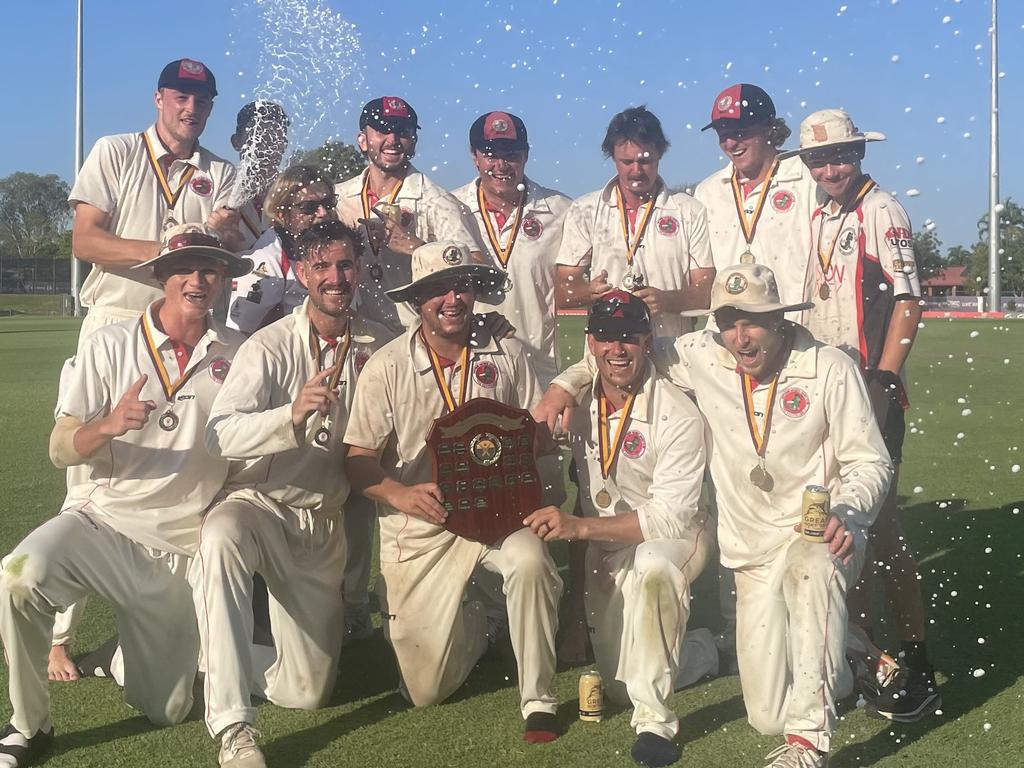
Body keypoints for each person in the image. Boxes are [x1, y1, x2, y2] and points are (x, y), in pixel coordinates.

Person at [536, 264, 894, 768]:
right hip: (749, 549)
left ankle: (810, 744)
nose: (740, 338)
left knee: (811, 569)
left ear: (779, 320)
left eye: (752, 322)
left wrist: (846, 511)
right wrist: (562, 386)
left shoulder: (829, 367)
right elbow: (618, 354)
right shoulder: (704, 354)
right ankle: (848, 659)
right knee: (767, 715)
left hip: (819, 533)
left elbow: (870, 460)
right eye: (728, 321)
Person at [0, 225, 249, 768]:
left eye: (210, 268)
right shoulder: (109, 345)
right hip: (105, 525)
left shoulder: (240, 353)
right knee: (19, 574)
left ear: (224, 277)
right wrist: (106, 427)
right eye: (184, 267)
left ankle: (118, 657)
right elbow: (61, 448)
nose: (197, 279)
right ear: (161, 276)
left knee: (168, 709)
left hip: (181, 551)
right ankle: (28, 723)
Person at [48, 58, 242, 682]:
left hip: (190, 326)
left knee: (183, 476)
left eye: (202, 100)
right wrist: (167, 251)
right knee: (87, 481)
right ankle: (57, 637)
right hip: (116, 324)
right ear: (158, 97)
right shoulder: (116, 151)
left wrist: (220, 235)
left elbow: (231, 251)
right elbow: (85, 239)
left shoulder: (222, 173)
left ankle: (178, 627)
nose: (191, 108)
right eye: (181, 96)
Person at [343, 241, 563, 743]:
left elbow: (538, 437)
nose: (452, 299)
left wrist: (540, 490)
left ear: (475, 293)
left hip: (499, 513)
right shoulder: (388, 364)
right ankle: (483, 623)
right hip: (423, 524)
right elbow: (357, 460)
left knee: (530, 562)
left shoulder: (506, 350)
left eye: (461, 286)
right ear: (417, 300)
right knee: (425, 690)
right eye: (438, 289)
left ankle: (539, 700)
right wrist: (400, 494)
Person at [195, 221, 387, 768]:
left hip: (320, 520)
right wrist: (291, 414)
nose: (335, 278)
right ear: (300, 273)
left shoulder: (379, 341)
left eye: (345, 265)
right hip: (258, 502)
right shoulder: (268, 346)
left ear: (357, 271)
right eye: (321, 267)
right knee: (221, 536)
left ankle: (208, 651)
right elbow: (219, 434)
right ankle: (233, 727)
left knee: (307, 693)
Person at [786, 108, 938, 722]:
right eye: (820, 159)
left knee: (883, 533)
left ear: (860, 154)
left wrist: (883, 380)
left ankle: (914, 657)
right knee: (830, 526)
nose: (831, 167)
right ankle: (858, 654)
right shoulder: (821, 211)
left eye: (841, 155)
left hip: (868, 393)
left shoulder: (882, 209)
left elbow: (909, 300)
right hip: (827, 392)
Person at [524, 291, 714, 767]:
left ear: (648, 340)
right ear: (590, 343)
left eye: (629, 337)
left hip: (677, 537)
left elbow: (669, 517)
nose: (617, 348)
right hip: (604, 542)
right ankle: (708, 651)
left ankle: (655, 723)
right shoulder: (577, 400)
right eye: (606, 337)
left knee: (653, 569)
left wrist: (578, 527)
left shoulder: (680, 414)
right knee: (616, 684)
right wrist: (557, 392)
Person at [555, 105, 714, 337]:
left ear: (660, 153)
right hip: (610, 351)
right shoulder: (585, 209)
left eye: (645, 161)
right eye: (627, 161)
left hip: (671, 356)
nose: (636, 171)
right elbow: (563, 291)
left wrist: (667, 300)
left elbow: (706, 292)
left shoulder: (690, 211)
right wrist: (589, 292)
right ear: (613, 157)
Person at [336, 96, 483, 335]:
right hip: (353, 335)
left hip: (415, 337)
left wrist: (417, 248)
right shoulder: (338, 198)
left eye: (402, 132)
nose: (393, 140)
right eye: (382, 130)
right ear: (362, 140)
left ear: (414, 142)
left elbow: (476, 267)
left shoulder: (436, 201)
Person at [453, 110, 571, 388]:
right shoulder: (451, 208)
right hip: (469, 362)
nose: (501, 165)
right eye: (491, 154)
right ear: (474, 155)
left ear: (526, 155)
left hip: (537, 367)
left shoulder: (561, 209)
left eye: (512, 155)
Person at [694, 84, 819, 312]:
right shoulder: (707, 192)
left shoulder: (807, 178)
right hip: (729, 333)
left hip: (794, 328)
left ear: (769, 128)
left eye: (740, 132)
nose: (731, 143)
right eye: (723, 134)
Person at [227, 165, 336, 334]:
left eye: (328, 203)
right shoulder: (264, 261)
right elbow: (241, 336)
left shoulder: (335, 245)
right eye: (309, 207)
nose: (323, 212)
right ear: (281, 214)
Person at [229, 100, 290, 248]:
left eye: (275, 138)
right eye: (258, 138)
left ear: (284, 145)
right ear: (236, 142)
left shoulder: (293, 194)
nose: (266, 148)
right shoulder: (221, 189)